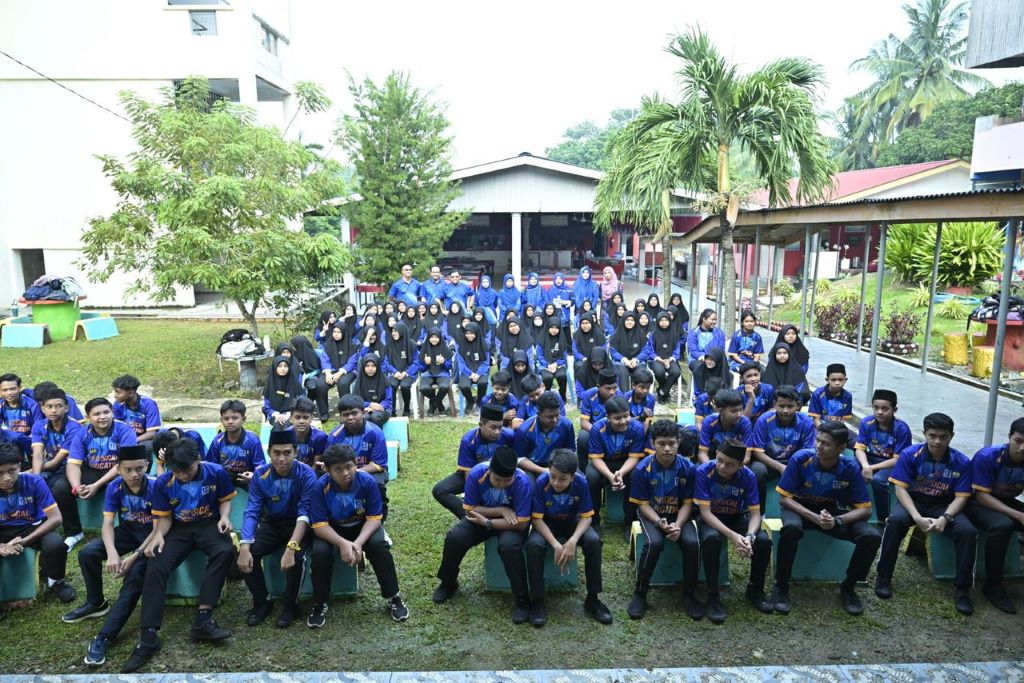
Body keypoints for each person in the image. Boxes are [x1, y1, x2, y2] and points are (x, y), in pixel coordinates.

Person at [121, 438, 235, 673]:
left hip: (207, 524)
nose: (182, 476)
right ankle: (149, 635)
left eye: (187, 470)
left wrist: (224, 517)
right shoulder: (164, 482)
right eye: (177, 471)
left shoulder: (216, 473)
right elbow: (164, 518)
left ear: (197, 459)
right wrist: (159, 536)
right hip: (178, 529)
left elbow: (224, 502)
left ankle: (204, 618)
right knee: (156, 564)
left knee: (224, 550)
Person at [773, 422, 881, 616]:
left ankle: (848, 587)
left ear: (841, 448)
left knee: (871, 536)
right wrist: (815, 517)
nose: (819, 447)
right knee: (791, 529)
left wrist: (837, 521)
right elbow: (785, 499)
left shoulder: (849, 467)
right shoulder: (801, 459)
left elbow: (865, 510)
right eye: (818, 440)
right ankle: (781, 586)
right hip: (800, 509)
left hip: (833, 514)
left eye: (826, 444)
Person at [874, 413, 975, 615]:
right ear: (924, 434)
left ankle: (962, 590)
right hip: (913, 501)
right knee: (894, 521)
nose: (937, 441)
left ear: (951, 436)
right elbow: (900, 489)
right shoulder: (910, 455)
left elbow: (961, 497)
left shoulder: (961, 461)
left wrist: (945, 518)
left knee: (968, 531)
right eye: (932, 435)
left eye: (943, 436)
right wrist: (916, 517)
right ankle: (883, 577)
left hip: (943, 505)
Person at [65, 445, 157, 666]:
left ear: (147, 466)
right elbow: (107, 524)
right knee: (88, 552)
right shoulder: (115, 487)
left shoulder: (156, 486)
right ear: (118, 469)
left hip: (152, 538)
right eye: (128, 470)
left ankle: (104, 636)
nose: (134, 474)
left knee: (133, 579)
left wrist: (134, 556)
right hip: (128, 532)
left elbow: (159, 528)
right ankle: (96, 602)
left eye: (139, 469)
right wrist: (113, 552)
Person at [308, 444, 409, 627]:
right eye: (338, 469)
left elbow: (374, 518)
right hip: (332, 530)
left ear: (355, 464)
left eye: (349, 466)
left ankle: (394, 596)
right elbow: (319, 526)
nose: (345, 473)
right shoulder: (320, 487)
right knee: (320, 553)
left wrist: (358, 544)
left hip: (363, 527)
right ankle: (319, 603)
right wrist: (342, 543)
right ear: (328, 471)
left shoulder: (367, 481)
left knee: (379, 546)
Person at [432, 446, 533, 623]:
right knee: (455, 538)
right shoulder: (476, 473)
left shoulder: (522, 482)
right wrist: (501, 510)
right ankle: (448, 582)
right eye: (497, 480)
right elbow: (470, 511)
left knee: (509, 547)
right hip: (482, 518)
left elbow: (522, 524)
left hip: (509, 525)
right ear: (489, 471)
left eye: (506, 481)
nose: (502, 484)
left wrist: (488, 522)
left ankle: (522, 597)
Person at [237, 429, 319, 629]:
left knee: (297, 559)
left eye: (287, 453)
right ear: (269, 452)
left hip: (301, 525)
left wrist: (291, 548)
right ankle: (262, 601)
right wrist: (245, 544)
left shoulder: (306, 474)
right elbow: (252, 510)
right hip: (273, 523)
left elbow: (305, 512)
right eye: (276, 453)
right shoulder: (260, 475)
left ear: (296, 452)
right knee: (249, 555)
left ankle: (291, 605)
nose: (281, 458)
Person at [526, 448, 611, 627]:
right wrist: (556, 545)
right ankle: (538, 600)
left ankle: (593, 599)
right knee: (534, 545)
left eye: (563, 478)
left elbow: (587, 516)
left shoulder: (581, 482)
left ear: (573, 477)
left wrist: (572, 540)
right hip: (547, 523)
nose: (556, 482)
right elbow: (536, 519)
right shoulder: (541, 482)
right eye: (553, 476)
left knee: (593, 542)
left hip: (573, 521)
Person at [627, 419, 700, 620]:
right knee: (654, 543)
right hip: (652, 514)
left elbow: (687, 503)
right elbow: (642, 505)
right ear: (653, 443)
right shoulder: (643, 469)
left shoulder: (687, 467)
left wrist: (678, 524)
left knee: (692, 543)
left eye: (672, 443)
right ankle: (640, 593)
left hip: (678, 515)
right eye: (661, 444)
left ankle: (689, 594)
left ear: (678, 442)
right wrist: (659, 523)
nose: (667, 449)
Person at [694, 439, 773, 623]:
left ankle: (755, 589)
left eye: (730, 464)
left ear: (740, 465)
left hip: (736, 516)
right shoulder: (703, 472)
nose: (722, 466)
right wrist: (733, 536)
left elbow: (755, 515)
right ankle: (713, 595)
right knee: (711, 539)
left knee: (762, 541)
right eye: (719, 460)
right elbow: (705, 513)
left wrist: (749, 536)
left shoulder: (748, 476)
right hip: (710, 517)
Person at [0, 441, 76, 605]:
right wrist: (1, 546)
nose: (6, 478)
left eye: (11, 471)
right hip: (3, 530)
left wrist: (26, 541)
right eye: (0, 473)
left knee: (56, 544)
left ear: (19, 467)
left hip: (32, 527)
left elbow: (56, 518)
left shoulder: (34, 482)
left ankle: (57, 582)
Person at [966, 417, 1024, 614]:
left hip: (1005, 501)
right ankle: (993, 585)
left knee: (1009, 519)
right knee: (1003, 525)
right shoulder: (987, 456)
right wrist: (1017, 515)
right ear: (1009, 437)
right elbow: (982, 497)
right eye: (1018, 441)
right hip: (975, 502)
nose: (1023, 448)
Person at [63, 399, 138, 524]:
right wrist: (77, 487)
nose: (103, 417)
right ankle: (74, 533)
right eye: (97, 414)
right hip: (93, 469)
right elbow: (73, 463)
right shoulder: (82, 433)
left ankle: (125, 528)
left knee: (123, 485)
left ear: (112, 412)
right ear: (88, 417)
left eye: (106, 412)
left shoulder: (124, 430)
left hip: (119, 471)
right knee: (61, 488)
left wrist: (96, 485)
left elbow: (124, 463)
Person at [432, 404, 514, 518]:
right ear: (481, 425)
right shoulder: (468, 440)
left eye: (500, 427)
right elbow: (468, 475)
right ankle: (468, 516)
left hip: (500, 476)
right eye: (493, 427)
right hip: (472, 475)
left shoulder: (509, 436)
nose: (497, 432)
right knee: (439, 490)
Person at [29, 386, 84, 549]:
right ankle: (41, 528)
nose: (54, 410)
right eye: (50, 406)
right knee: (34, 484)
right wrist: (36, 476)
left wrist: (37, 475)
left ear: (66, 407)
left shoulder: (74, 427)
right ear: (43, 408)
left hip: (70, 466)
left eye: (59, 406)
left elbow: (59, 460)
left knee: (58, 488)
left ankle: (74, 532)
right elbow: (37, 454)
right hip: (47, 466)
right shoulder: (39, 425)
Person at [586, 396, 650, 528]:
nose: (623, 421)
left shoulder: (637, 428)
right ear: (608, 417)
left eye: (626, 416)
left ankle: (630, 522)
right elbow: (596, 458)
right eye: (617, 418)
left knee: (637, 475)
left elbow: (634, 457)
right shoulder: (597, 429)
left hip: (626, 462)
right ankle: (594, 522)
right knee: (592, 477)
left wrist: (620, 473)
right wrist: (610, 476)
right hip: (604, 462)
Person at [850, 389, 912, 523]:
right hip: (871, 459)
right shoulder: (867, 422)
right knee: (850, 469)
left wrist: (871, 468)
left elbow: (897, 460)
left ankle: (883, 519)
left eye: (885, 409)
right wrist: (866, 465)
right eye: (876, 407)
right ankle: (850, 509)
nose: (879, 412)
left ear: (894, 410)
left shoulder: (902, 429)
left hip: (891, 463)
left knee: (878, 480)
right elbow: (859, 449)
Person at [750, 386, 816, 508]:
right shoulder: (764, 420)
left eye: (790, 406)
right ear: (775, 404)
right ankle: (760, 512)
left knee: (814, 468)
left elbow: (807, 452)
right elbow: (758, 452)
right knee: (757, 471)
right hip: (770, 463)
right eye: (781, 406)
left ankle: (805, 508)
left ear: (798, 405)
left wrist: (792, 467)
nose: (785, 410)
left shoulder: (806, 422)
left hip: (796, 463)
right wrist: (780, 467)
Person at [327, 395, 390, 518]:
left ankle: (379, 519)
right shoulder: (334, 436)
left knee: (377, 484)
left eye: (354, 413)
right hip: (342, 471)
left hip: (371, 471)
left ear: (363, 412)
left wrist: (354, 472)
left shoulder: (375, 432)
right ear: (340, 416)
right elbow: (330, 462)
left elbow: (379, 464)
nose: (350, 418)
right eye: (345, 414)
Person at [512, 392, 575, 480]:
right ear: (538, 414)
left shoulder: (567, 425)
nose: (555, 420)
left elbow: (571, 451)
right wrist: (543, 470)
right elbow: (520, 459)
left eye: (557, 415)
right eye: (549, 417)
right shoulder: (524, 430)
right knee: (529, 484)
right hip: (532, 467)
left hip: (560, 464)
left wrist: (558, 470)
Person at [205, 399, 265, 490]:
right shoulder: (217, 441)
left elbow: (260, 466)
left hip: (247, 481)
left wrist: (254, 475)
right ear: (221, 420)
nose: (230, 422)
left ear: (243, 419)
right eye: (226, 418)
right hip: (223, 482)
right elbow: (210, 466)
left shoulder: (253, 440)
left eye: (234, 418)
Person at [577, 369, 622, 470]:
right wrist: (599, 432)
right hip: (594, 429)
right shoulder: (589, 395)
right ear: (598, 387)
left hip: (615, 429)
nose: (612, 392)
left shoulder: (619, 395)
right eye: (608, 388)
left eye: (615, 388)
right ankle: (583, 470)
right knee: (583, 437)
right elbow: (584, 423)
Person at [697, 389, 753, 464]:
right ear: (720, 410)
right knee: (698, 468)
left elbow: (747, 457)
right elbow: (702, 454)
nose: (739, 414)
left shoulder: (745, 423)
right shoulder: (709, 422)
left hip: (735, 460)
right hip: (713, 457)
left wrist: (730, 468)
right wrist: (712, 467)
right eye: (734, 411)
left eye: (741, 409)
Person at [111, 375, 162, 449]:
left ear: (131, 393)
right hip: (127, 438)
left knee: (145, 446)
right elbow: (117, 428)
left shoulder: (148, 404)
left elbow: (152, 433)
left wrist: (131, 441)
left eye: (118, 392)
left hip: (145, 439)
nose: (115, 395)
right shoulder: (117, 405)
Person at [290, 336, 330, 422]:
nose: (293, 347)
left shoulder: (314, 354)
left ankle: (322, 412)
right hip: (297, 377)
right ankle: (301, 407)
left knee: (315, 386)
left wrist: (306, 377)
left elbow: (317, 369)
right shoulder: (293, 355)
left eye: (294, 345)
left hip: (313, 376)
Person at [383, 322, 419, 417]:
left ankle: (406, 409)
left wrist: (406, 372)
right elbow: (386, 363)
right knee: (391, 385)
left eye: (396, 331)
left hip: (408, 373)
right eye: (393, 331)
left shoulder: (412, 345)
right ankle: (392, 411)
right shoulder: (389, 345)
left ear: (402, 331)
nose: (394, 333)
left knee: (405, 386)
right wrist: (394, 372)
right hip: (394, 373)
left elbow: (416, 363)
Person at [645, 311, 682, 403]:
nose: (664, 322)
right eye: (661, 320)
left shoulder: (674, 334)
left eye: (666, 320)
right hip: (656, 359)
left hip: (670, 358)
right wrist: (659, 359)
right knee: (659, 372)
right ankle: (664, 391)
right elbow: (650, 350)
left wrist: (672, 358)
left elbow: (677, 349)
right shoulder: (652, 334)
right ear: (658, 321)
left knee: (676, 371)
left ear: (669, 321)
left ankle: (662, 391)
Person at [454, 321, 490, 415]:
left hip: (481, 372)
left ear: (477, 333)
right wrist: (471, 373)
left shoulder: (484, 345)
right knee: (463, 386)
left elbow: (486, 363)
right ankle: (470, 401)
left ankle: (479, 403)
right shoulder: (461, 346)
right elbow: (461, 364)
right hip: (467, 372)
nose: (469, 336)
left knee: (483, 383)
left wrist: (478, 373)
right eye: (467, 333)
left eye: (471, 333)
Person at [417, 327, 454, 416]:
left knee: (444, 387)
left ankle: (433, 406)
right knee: (423, 388)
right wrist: (426, 363)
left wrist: (444, 361)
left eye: (436, 337)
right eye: (432, 337)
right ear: (428, 338)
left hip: (442, 373)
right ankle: (439, 405)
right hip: (428, 374)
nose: (434, 339)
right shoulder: (424, 348)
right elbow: (421, 368)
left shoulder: (445, 348)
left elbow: (449, 366)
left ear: (440, 338)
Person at [608, 312, 649, 390]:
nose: (629, 322)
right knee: (622, 373)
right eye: (627, 320)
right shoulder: (616, 335)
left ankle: (638, 398)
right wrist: (624, 360)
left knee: (641, 373)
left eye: (632, 320)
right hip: (620, 362)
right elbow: (613, 351)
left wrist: (636, 359)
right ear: (623, 320)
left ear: (635, 322)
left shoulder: (640, 334)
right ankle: (625, 398)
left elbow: (645, 351)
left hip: (637, 362)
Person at [263, 354, 304, 428]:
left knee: (286, 425)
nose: (283, 369)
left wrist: (289, 414)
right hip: (275, 415)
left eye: (285, 366)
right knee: (277, 425)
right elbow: (266, 406)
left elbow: (301, 403)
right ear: (275, 368)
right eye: (280, 366)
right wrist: (276, 414)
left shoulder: (295, 383)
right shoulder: (270, 384)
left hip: (293, 414)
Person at [352, 354, 392, 428]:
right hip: (364, 409)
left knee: (375, 417)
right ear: (363, 367)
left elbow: (388, 401)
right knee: (365, 418)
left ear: (377, 367)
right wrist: (369, 404)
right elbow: (355, 401)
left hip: (383, 409)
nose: (370, 369)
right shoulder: (359, 382)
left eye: (373, 365)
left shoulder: (385, 381)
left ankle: (378, 438)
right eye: (367, 366)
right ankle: (366, 439)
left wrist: (376, 407)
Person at [319, 323, 357, 401]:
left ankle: (345, 409)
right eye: (334, 332)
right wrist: (328, 373)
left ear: (343, 332)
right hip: (331, 370)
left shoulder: (352, 346)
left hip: (348, 371)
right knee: (320, 385)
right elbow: (325, 360)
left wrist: (340, 373)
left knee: (343, 383)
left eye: (338, 332)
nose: (336, 334)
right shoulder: (328, 345)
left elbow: (352, 363)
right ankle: (324, 413)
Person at [536, 317, 570, 402]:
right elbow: (539, 356)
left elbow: (564, 357)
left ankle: (562, 396)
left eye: (556, 328)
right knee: (547, 377)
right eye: (551, 328)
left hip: (559, 364)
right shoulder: (542, 339)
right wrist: (548, 365)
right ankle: (548, 397)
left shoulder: (562, 340)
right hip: (545, 365)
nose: (554, 330)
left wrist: (556, 364)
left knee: (561, 376)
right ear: (548, 328)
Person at [289, 398, 328, 471]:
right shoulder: (285, 435)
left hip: (312, 473)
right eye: (297, 417)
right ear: (291, 418)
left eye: (305, 418)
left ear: (311, 418)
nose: (301, 421)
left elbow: (315, 466)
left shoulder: (320, 437)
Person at [0, 373, 43, 438]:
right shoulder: (1, 405)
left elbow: (39, 429)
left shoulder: (32, 405)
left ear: (19, 388)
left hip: (30, 440)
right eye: (5, 390)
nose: (9, 393)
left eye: (13, 389)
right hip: (9, 441)